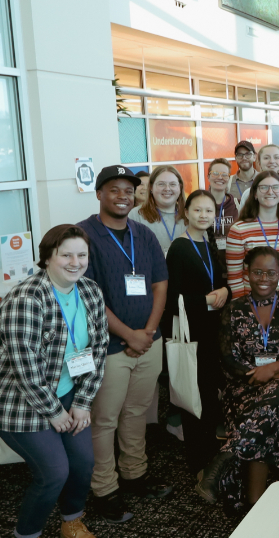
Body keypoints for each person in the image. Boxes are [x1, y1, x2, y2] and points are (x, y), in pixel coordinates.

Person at [0, 225, 108, 538]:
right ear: (48, 257)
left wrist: (82, 402)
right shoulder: (26, 298)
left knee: (83, 463)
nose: (75, 262)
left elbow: (98, 349)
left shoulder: (89, 291)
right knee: (53, 473)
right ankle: (27, 533)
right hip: (16, 401)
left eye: (81, 255)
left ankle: (71, 519)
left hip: (66, 392)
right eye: (66, 255)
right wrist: (54, 412)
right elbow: (27, 367)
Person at [76, 166, 172, 523]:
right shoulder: (83, 235)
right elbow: (89, 296)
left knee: (138, 412)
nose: (122, 196)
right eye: (114, 190)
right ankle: (104, 490)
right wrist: (128, 335)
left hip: (149, 341)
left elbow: (160, 284)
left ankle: (135, 474)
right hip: (109, 347)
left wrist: (147, 331)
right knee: (105, 419)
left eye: (128, 191)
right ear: (99, 193)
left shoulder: (143, 234)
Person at [196, 247, 279, 513]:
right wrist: (266, 375)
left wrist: (276, 367)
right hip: (243, 388)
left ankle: (224, 459)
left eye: (271, 273)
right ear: (246, 273)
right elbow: (227, 358)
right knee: (269, 416)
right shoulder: (234, 309)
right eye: (258, 272)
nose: (264, 278)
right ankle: (259, 507)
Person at [163, 190, 229, 477]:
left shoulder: (209, 242)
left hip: (213, 331)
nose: (203, 216)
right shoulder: (179, 248)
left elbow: (220, 280)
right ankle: (197, 462)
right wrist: (205, 300)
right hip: (192, 333)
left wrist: (225, 290)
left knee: (211, 395)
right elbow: (171, 299)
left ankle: (211, 455)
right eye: (198, 210)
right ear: (186, 212)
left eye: (209, 211)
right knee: (194, 396)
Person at [226, 171, 279, 299]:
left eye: (275, 187)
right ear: (255, 193)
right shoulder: (239, 230)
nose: (270, 192)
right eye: (264, 187)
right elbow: (235, 277)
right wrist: (242, 307)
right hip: (253, 302)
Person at [129, 166, 187, 256]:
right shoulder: (136, 215)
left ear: (180, 187)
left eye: (172, 184)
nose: (167, 188)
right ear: (151, 187)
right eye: (161, 184)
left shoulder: (190, 215)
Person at [206, 158, 240, 255]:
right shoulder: (199, 205)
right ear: (208, 177)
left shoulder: (238, 205)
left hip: (233, 259)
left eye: (224, 174)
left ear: (229, 178)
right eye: (215, 173)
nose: (220, 177)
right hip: (207, 260)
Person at [229, 141, 258, 206]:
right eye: (240, 155)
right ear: (236, 158)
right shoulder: (228, 182)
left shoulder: (263, 180)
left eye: (248, 154)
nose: (244, 158)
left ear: (254, 157)